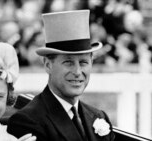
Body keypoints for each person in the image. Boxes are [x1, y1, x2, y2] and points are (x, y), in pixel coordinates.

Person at [7, 10, 115, 141]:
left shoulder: (98, 116)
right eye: (68, 62)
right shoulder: (27, 121)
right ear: (48, 65)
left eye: (83, 62)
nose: (77, 72)